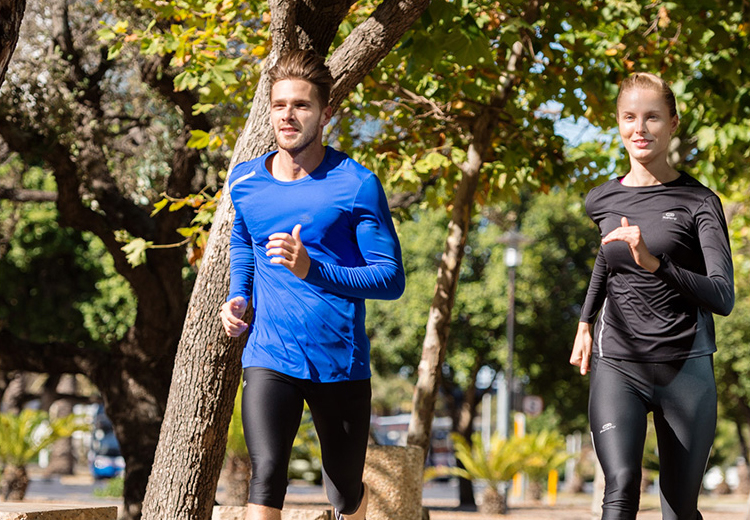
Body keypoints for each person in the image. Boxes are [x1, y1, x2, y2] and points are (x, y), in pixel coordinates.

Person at [220, 49, 405, 520]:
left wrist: (312, 269)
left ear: (326, 113)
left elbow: (390, 278)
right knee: (266, 474)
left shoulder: (356, 184)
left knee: (344, 490)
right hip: (269, 354)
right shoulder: (245, 181)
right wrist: (238, 295)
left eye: (301, 105)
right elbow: (244, 241)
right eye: (279, 105)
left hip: (339, 363)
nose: (288, 115)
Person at [569, 72, 734, 520]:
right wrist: (585, 321)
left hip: (686, 368)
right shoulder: (601, 199)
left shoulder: (699, 201)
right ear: (618, 123)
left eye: (652, 117)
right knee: (620, 488)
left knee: (678, 507)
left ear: (673, 123)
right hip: (618, 363)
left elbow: (723, 296)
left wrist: (657, 264)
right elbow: (607, 258)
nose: (639, 129)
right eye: (629, 117)